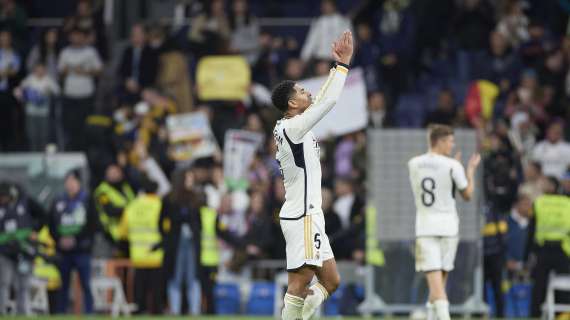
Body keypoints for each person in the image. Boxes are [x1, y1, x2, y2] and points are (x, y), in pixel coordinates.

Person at [271, 30, 353, 320]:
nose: (308, 92)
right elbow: (326, 102)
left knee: (331, 282)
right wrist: (342, 66)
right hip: (301, 215)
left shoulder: (294, 125)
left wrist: (337, 66)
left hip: (311, 215)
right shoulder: (291, 128)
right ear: (292, 104)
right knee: (299, 283)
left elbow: (320, 99)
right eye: (302, 91)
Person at [407, 124, 481, 320]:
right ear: (439, 141)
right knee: (439, 285)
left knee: (436, 285)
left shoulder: (414, 163)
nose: (452, 144)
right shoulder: (453, 166)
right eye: (449, 141)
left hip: (425, 227)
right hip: (448, 228)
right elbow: (467, 194)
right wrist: (470, 171)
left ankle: (432, 316)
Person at [48, 169, 95, 314]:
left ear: (79, 182)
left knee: (86, 284)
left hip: (82, 250)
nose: (70, 184)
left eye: (73, 181)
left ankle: (89, 313)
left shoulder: (87, 200)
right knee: (63, 285)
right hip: (63, 251)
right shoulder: (58, 200)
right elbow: (51, 223)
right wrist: (59, 240)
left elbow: (93, 224)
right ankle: (61, 313)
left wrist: (76, 239)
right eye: (67, 181)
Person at [118, 179, 164, 314]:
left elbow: (122, 232)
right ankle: (156, 312)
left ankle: (140, 311)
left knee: (140, 290)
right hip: (156, 255)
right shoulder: (160, 205)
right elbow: (167, 228)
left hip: (137, 255)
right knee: (156, 292)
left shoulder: (132, 206)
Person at [160, 169, 203, 315]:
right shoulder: (169, 198)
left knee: (193, 277)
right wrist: (167, 237)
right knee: (175, 277)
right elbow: (161, 221)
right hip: (175, 243)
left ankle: (194, 311)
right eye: (188, 178)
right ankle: (175, 310)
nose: (191, 181)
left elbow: (199, 222)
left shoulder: (196, 198)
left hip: (191, 243)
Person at [526, 176, 570, 317]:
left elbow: (531, 231)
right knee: (563, 287)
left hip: (543, 250)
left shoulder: (539, 203)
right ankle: (562, 315)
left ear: (551, 186)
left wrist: (526, 255)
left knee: (539, 286)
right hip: (564, 250)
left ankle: (535, 315)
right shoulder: (567, 203)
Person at [0, 182, 46, 315]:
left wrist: (35, 230)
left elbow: (43, 215)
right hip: (4, 251)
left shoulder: (26, 201)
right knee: (3, 282)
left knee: (23, 285)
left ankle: (23, 313)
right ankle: (1, 313)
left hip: (24, 250)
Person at [57, 28, 103, 151]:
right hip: (70, 94)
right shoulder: (65, 52)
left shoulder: (91, 52)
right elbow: (60, 72)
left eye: (79, 35)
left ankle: (85, 150)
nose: (76, 38)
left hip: (86, 94)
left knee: (86, 125)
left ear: (83, 37)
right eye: (73, 35)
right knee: (70, 126)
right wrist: (65, 72)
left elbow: (99, 70)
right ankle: (71, 150)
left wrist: (84, 72)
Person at [14, 63, 60, 151]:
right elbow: (17, 92)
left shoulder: (48, 80)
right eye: (38, 70)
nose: (40, 72)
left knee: (44, 135)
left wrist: (50, 91)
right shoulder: (29, 79)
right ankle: (33, 153)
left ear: (45, 70)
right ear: (34, 70)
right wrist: (26, 96)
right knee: (32, 135)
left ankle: (43, 154)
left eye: (42, 70)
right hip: (31, 112)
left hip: (44, 113)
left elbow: (57, 91)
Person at [93, 163, 135, 250]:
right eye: (111, 173)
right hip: (112, 232)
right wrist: (128, 210)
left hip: (129, 231)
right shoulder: (102, 191)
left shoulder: (126, 187)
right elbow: (110, 211)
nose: (114, 175)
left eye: (116, 172)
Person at [117, 23, 158, 104]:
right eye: (133, 34)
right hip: (127, 86)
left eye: (138, 34)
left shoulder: (151, 53)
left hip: (144, 87)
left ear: (145, 35)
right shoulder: (128, 51)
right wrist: (127, 81)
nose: (135, 37)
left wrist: (138, 85)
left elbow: (152, 74)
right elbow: (122, 70)